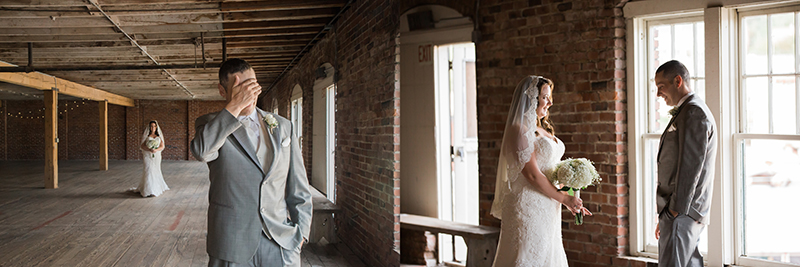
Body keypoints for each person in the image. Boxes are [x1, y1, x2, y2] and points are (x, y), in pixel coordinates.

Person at [191, 58, 312, 267]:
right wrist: (236, 105)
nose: (248, 93)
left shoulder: (283, 127)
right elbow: (202, 152)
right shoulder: (210, 124)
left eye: (252, 85)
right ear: (222, 91)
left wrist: (301, 234)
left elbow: (299, 185)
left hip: (281, 241)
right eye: (239, 87)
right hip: (232, 243)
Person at [491, 76, 592, 266]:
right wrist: (563, 198)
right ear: (532, 99)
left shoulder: (543, 129)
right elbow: (531, 174)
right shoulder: (518, 129)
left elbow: (551, 170)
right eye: (545, 97)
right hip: (528, 204)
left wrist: (570, 191)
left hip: (549, 203)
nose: (550, 102)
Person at [653, 60, 717, 267]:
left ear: (678, 81)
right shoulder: (688, 110)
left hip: (682, 211)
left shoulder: (693, 112)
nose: (658, 94)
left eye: (661, 86)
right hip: (683, 212)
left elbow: (691, 167)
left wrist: (673, 212)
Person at [130, 120, 169, 197]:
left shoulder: (159, 136)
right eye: (151, 126)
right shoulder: (147, 136)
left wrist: (155, 150)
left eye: (154, 126)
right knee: (148, 170)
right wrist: (149, 149)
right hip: (148, 155)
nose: (152, 128)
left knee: (156, 170)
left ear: (156, 127)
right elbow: (142, 146)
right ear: (149, 127)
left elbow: (162, 146)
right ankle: (148, 189)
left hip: (156, 156)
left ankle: (155, 188)